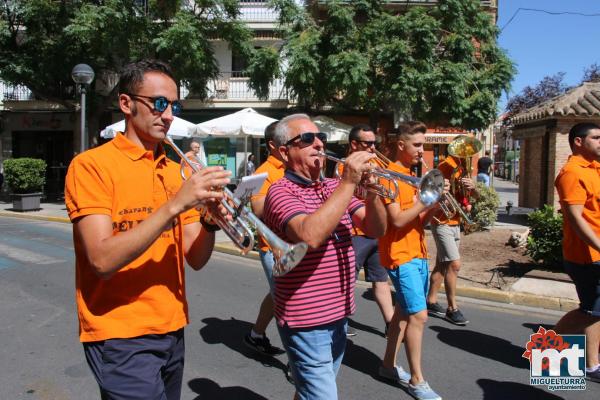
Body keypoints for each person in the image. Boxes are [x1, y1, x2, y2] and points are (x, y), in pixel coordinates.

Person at [64, 59, 231, 400]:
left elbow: (195, 259)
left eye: (174, 105)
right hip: (119, 332)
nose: (168, 115)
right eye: (158, 104)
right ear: (126, 104)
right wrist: (173, 206)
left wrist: (211, 220)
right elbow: (101, 259)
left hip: (171, 327)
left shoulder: (174, 171)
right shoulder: (91, 166)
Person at [263, 114, 387, 399]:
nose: (318, 143)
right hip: (306, 319)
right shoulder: (280, 192)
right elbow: (310, 235)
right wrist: (348, 182)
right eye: (307, 139)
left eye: (321, 138)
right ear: (284, 151)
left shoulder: (333, 187)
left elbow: (374, 228)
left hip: (339, 312)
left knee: (310, 390)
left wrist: (373, 193)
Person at [378, 122, 445, 400]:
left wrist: (434, 206)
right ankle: (417, 380)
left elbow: (417, 221)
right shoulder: (389, 177)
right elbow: (396, 220)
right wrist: (426, 197)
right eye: (417, 145)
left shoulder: (410, 175)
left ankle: (387, 366)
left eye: (423, 144)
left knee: (404, 314)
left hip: (417, 252)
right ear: (401, 145)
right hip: (399, 255)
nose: (422, 150)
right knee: (419, 315)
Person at [553, 122, 600, 383]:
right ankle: (547, 347)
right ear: (578, 142)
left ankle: (592, 364)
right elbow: (575, 218)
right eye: (596, 137)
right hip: (586, 255)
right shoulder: (572, 172)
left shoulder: (595, 168)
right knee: (590, 310)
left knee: (595, 309)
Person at [345, 124, 394, 336]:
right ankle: (340, 323)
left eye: (375, 143)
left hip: (377, 231)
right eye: (368, 143)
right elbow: (352, 197)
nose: (373, 148)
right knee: (347, 281)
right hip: (356, 233)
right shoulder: (344, 167)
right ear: (354, 144)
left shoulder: (377, 163)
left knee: (380, 280)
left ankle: (391, 323)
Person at [243, 121, 286, 356]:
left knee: (278, 294)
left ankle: (256, 334)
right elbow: (258, 211)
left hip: (297, 242)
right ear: (274, 144)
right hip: (275, 247)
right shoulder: (262, 173)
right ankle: (297, 361)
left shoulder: (295, 167)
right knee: (288, 301)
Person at [426, 153, 477, 326]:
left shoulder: (465, 169)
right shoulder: (444, 167)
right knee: (454, 265)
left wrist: (473, 188)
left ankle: (431, 301)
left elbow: (474, 197)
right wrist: (442, 199)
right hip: (442, 222)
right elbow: (431, 195)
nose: (470, 154)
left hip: (455, 222)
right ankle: (452, 309)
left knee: (442, 264)